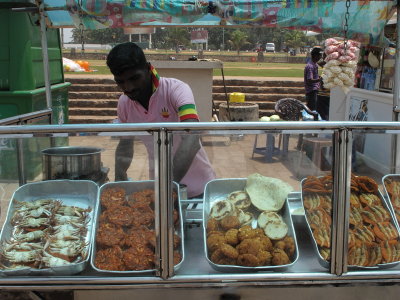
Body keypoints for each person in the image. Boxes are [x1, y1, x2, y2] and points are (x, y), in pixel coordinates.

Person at [107, 42, 216, 198]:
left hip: (199, 189)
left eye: (134, 78)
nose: (128, 87)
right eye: (120, 82)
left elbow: (191, 140)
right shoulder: (124, 103)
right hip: (158, 186)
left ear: (148, 68)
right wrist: (119, 179)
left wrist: (168, 186)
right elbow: (125, 144)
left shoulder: (176, 89)